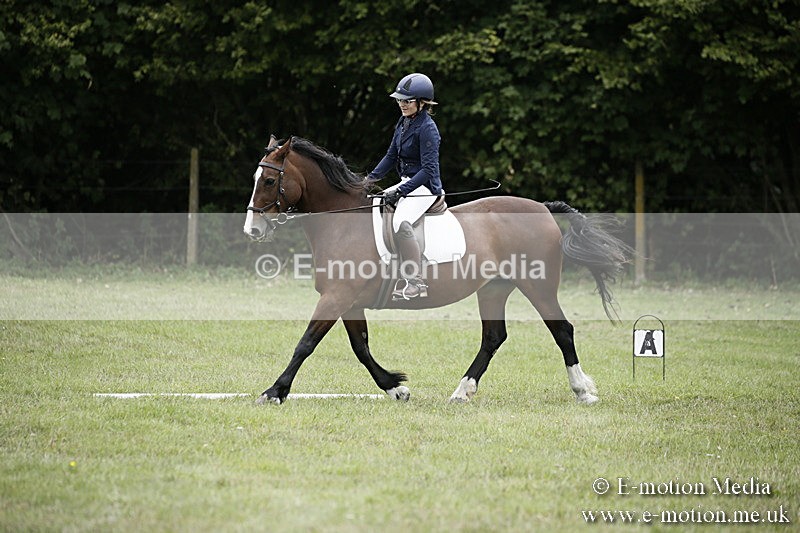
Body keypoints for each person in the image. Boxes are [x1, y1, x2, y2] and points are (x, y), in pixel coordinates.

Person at [366, 73, 443, 300]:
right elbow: (391, 156)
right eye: (399, 100)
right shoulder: (403, 122)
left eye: (407, 101)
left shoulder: (428, 128)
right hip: (407, 182)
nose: (401, 104)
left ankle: (415, 280)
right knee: (377, 203)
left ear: (422, 102)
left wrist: (401, 191)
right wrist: (369, 180)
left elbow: (428, 170)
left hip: (426, 187)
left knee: (401, 220)